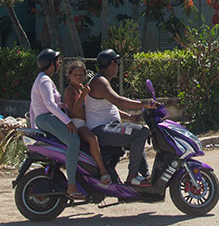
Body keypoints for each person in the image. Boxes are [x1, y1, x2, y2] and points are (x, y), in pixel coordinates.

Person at [85, 48, 155, 187]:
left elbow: (107, 107)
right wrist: (144, 104)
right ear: (112, 63)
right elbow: (118, 101)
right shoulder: (100, 82)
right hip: (102, 130)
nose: (118, 67)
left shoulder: (102, 81)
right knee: (140, 133)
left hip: (108, 127)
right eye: (117, 63)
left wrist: (129, 117)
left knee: (138, 132)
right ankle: (132, 177)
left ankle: (146, 176)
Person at [28, 49, 83, 200]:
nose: (59, 65)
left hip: (46, 118)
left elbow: (35, 105)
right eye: (57, 62)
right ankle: (71, 186)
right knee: (74, 141)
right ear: (51, 64)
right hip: (47, 118)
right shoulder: (44, 80)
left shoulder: (42, 78)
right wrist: (67, 121)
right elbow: (50, 104)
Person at [61, 60, 112, 184]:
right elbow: (73, 110)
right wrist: (84, 95)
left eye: (81, 75)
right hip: (77, 124)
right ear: (69, 76)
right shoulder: (71, 90)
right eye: (75, 75)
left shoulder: (81, 89)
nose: (78, 77)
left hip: (86, 123)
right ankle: (102, 170)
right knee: (92, 139)